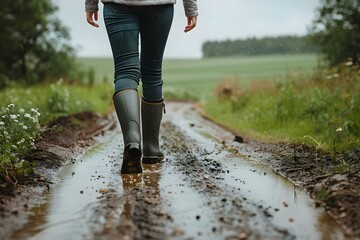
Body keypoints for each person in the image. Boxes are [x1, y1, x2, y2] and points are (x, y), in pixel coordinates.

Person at [85, 0, 198, 174]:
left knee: (125, 72)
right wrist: (190, 7)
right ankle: (151, 147)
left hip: (117, 5)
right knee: (152, 73)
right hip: (159, 6)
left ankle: (132, 140)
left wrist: (90, 4)